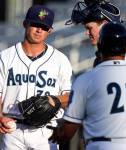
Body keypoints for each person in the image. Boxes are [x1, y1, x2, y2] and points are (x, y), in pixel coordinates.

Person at [50, 22, 126, 150]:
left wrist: (58, 133)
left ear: (100, 46)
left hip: (102, 145)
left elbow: (69, 129)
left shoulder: (86, 79)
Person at [0, 4, 72, 150]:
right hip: (13, 128)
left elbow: (70, 96)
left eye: (44, 27)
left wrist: (54, 100)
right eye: (35, 24)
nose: (39, 30)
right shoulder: (6, 57)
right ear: (25, 24)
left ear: (50, 30)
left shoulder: (60, 60)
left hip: (45, 132)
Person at [66, 0, 126, 68]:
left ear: (104, 25)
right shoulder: (108, 54)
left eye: (90, 28)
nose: (86, 33)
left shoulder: (119, 59)